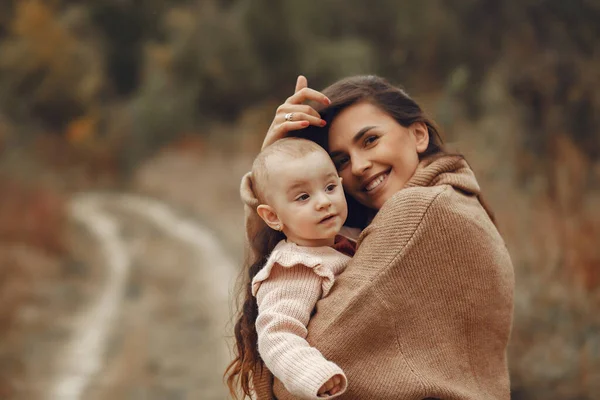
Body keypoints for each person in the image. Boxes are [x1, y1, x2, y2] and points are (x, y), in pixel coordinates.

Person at [231, 74, 515, 400]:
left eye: (369, 140)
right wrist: (273, 175)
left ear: (419, 134)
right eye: (342, 161)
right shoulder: (453, 199)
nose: (360, 166)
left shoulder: (419, 210)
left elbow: (295, 378)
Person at [226, 137, 359, 399]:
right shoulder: (293, 267)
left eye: (330, 187)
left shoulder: (351, 237)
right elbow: (276, 334)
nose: (323, 201)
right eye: (303, 196)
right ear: (273, 217)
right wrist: (315, 374)